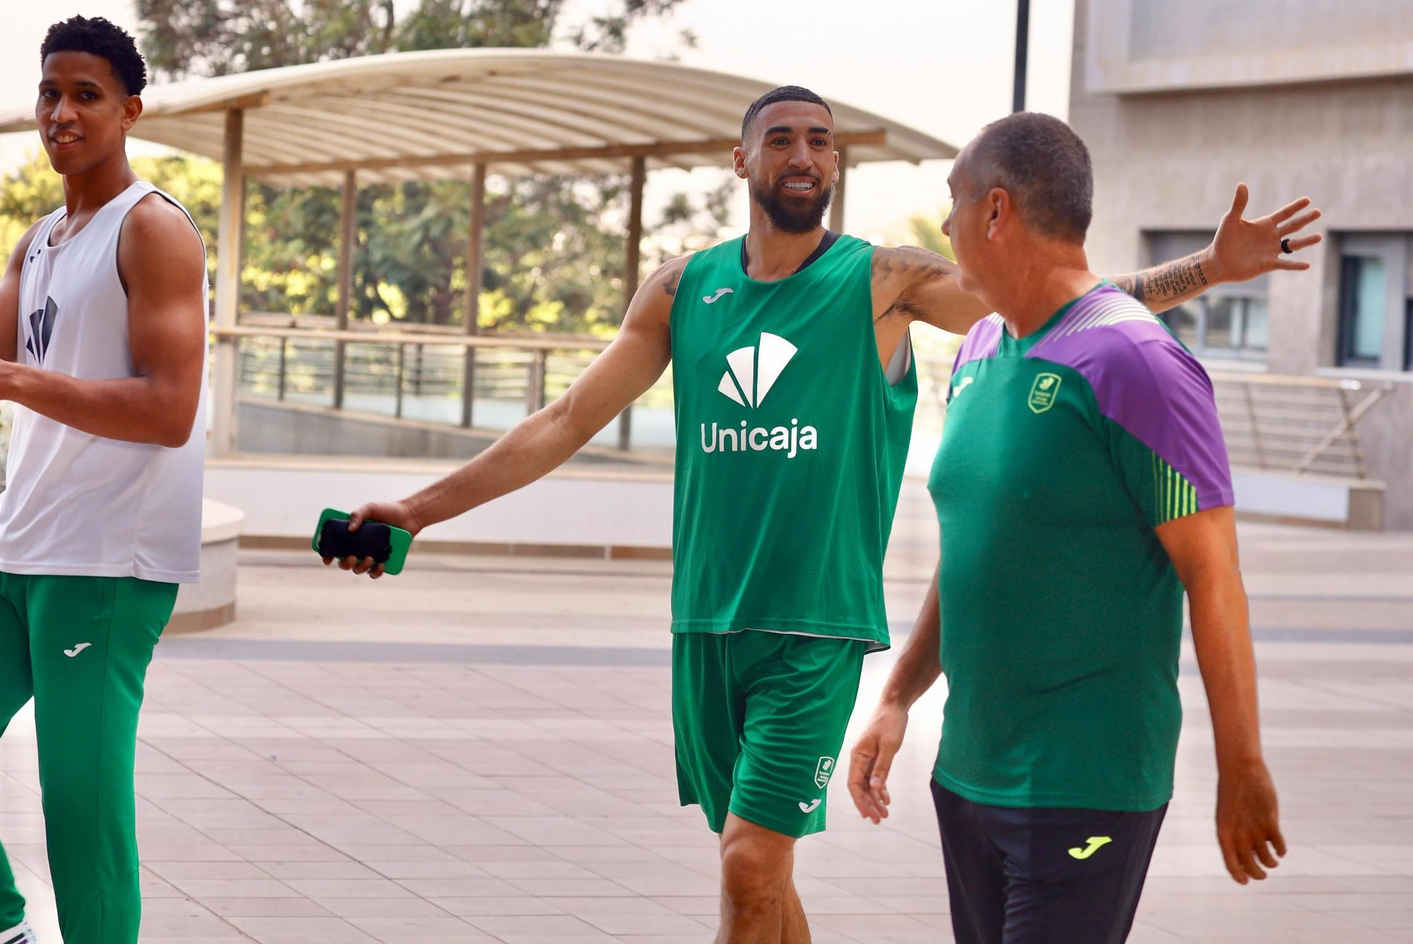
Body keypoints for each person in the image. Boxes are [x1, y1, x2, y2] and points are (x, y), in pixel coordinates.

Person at [330, 86, 1317, 944]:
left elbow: (1044, 301)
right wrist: (417, 510)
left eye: (822, 140)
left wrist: (1204, 271)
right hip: (707, 624)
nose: (806, 155)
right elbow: (563, 419)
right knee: (758, 875)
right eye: (784, 138)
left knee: (747, 870)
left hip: (816, 630)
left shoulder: (882, 281)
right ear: (741, 160)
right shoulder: (684, 288)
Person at [847, 112, 1300, 944]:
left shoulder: (1139, 364)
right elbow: (977, 555)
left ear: (995, 212)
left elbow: (1214, 576)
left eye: (953, 204)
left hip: (1085, 783)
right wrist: (898, 696)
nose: (944, 228)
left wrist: (1242, 767)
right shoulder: (982, 347)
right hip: (970, 773)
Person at [0, 16, 209, 944]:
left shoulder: (153, 231)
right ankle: (5, 934)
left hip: (106, 565)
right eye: (49, 94)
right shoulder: (44, 240)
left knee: (80, 815)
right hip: (11, 551)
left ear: (129, 110)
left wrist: (11, 378)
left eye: (86, 95)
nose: (61, 112)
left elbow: (167, 408)